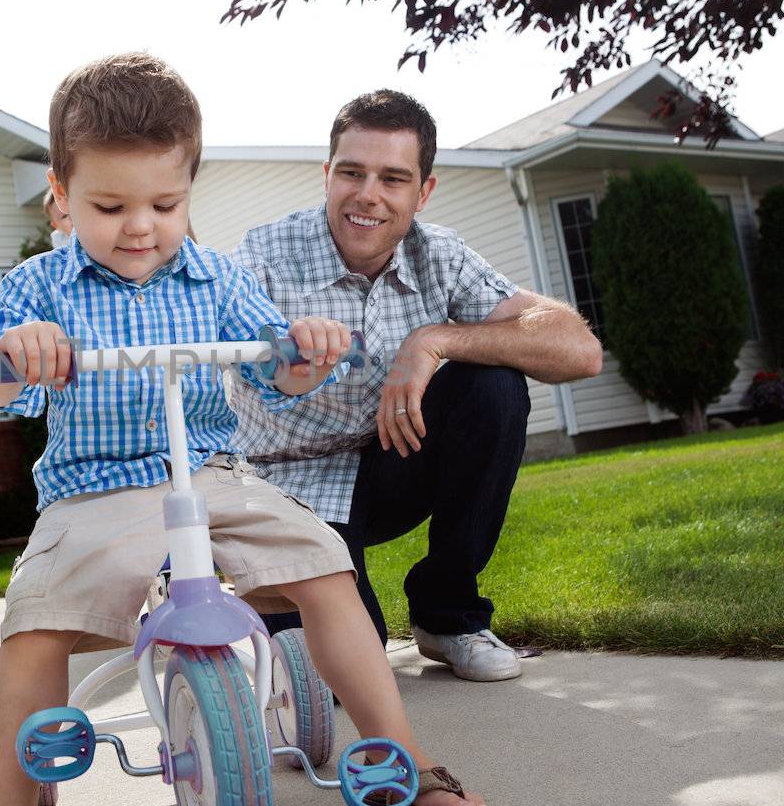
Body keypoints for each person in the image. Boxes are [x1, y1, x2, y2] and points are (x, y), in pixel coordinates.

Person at [0, 56, 502, 806]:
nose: (140, 226)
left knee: (325, 564)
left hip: (214, 472)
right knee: (35, 621)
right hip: (95, 487)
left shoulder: (217, 275)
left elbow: (278, 369)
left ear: (191, 190)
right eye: (110, 207)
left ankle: (398, 755)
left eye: (166, 203)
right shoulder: (39, 285)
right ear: (63, 193)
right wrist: (17, 351)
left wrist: (305, 348)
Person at [231, 90, 603, 682]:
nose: (368, 195)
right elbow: (242, 363)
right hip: (288, 486)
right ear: (327, 176)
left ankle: (448, 615)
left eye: (393, 178)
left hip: (392, 464)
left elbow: (578, 349)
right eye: (351, 173)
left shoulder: (441, 255)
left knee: (493, 382)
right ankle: (269, 617)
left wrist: (435, 339)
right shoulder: (263, 255)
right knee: (346, 671)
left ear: (422, 192)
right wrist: (295, 350)